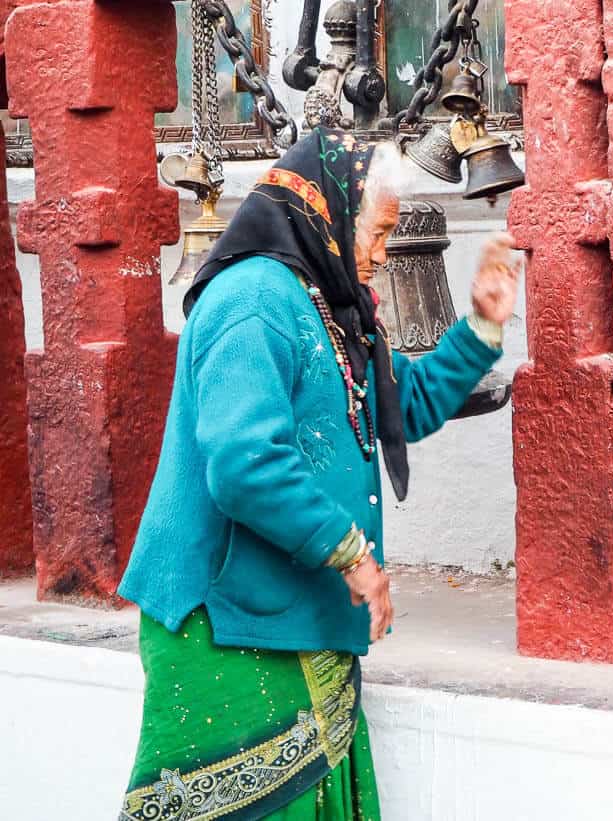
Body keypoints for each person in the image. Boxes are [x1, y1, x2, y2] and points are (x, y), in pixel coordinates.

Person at [116, 127, 520, 820]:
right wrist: (349, 551)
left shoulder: (326, 308)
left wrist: (481, 327)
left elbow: (400, 405)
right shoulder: (251, 301)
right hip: (226, 628)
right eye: (378, 232)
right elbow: (244, 462)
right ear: (329, 212)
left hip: (291, 621)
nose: (384, 254)